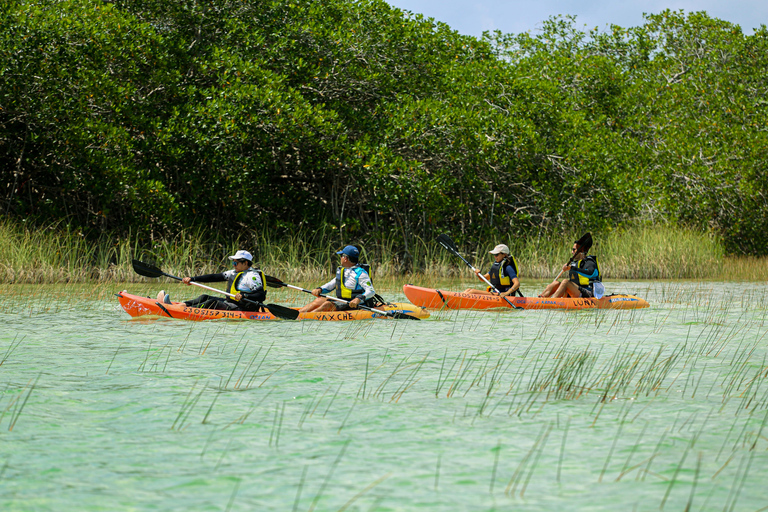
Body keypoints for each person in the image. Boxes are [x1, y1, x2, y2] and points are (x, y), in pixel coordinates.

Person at [158, 250, 266, 311]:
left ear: (246, 263)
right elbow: (214, 277)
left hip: (242, 308)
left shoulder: (252, 276)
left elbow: (261, 295)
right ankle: (183, 305)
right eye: (233, 263)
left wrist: (244, 295)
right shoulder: (234, 272)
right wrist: (193, 279)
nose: (234, 265)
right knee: (204, 297)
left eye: (235, 263)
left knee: (212, 303)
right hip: (231, 302)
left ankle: (182, 310)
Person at [299, 245, 376, 313]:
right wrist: (320, 289)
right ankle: (298, 313)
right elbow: (331, 284)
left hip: (354, 304)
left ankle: (305, 317)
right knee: (318, 300)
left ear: (345, 258)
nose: (340, 258)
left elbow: (371, 291)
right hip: (341, 301)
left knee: (327, 304)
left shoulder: (361, 273)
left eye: (341, 256)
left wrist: (358, 299)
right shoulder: (343, 270)